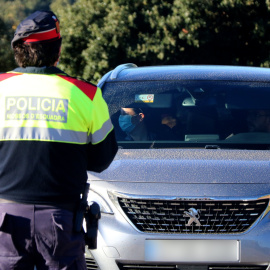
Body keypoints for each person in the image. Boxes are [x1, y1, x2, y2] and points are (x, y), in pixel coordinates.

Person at [0, 10, 118, 270]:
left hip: (5, 221)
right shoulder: (86, 95)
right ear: (58, 50)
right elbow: (103, 159)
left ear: (18, 50)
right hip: (60, 223)